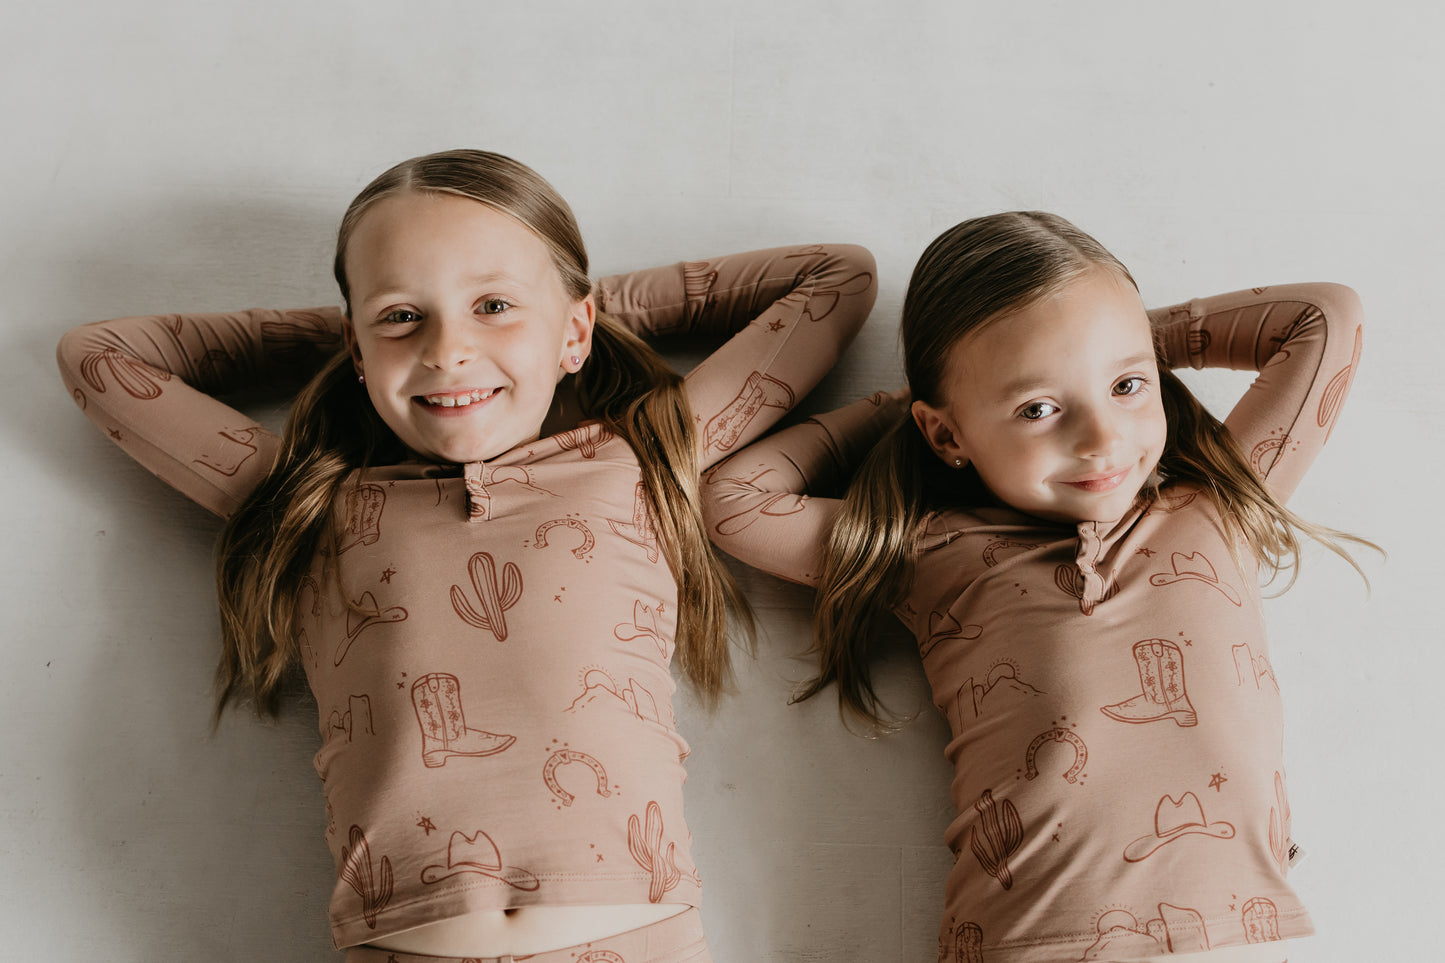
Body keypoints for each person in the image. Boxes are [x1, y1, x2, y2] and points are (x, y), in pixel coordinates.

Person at [56, 149, 877, 962]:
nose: (447, 349)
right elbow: (99, 357)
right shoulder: (309, 504)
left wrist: (556, 305)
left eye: (490, 305)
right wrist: (366, 336)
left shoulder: (641, 461)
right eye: (404, 318)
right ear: (356, 347)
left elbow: (834, 278)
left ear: (577, 331)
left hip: (639, 937)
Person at [701, 211, 1369, 963]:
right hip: (1027, 943)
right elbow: (736, 499)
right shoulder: (930, 552)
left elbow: (1323, 319)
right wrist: (904, 405)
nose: (1100, 437)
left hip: (1237, 932)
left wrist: (1126, 332)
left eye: (1125, 384)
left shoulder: (1220, 503)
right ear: (946, 435)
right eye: (1038, 408)